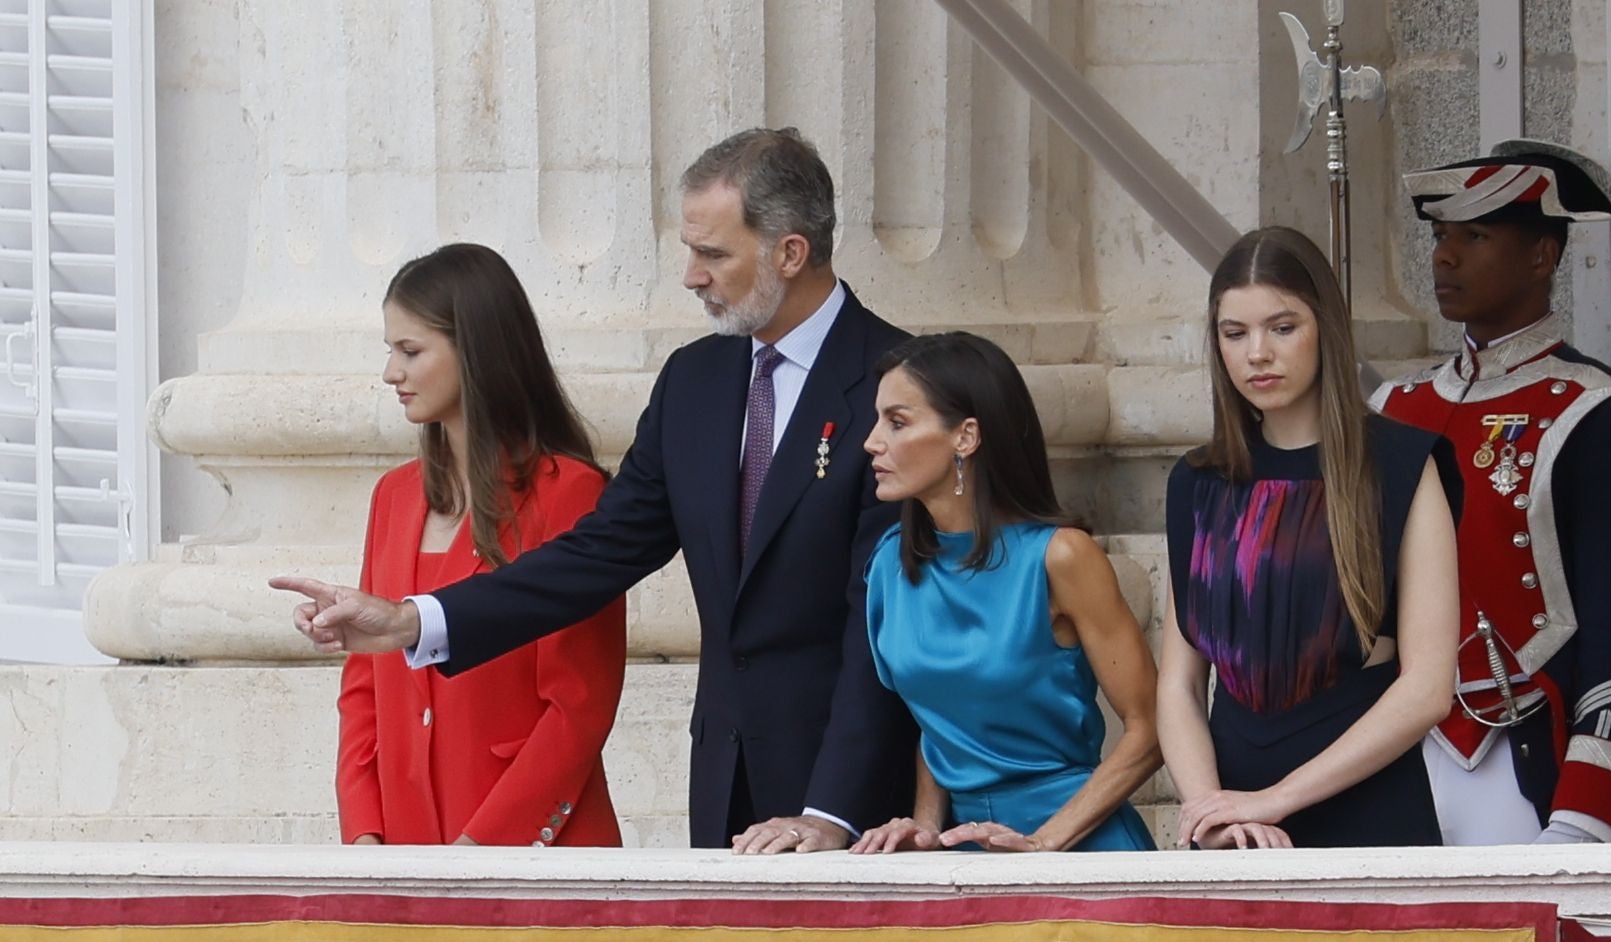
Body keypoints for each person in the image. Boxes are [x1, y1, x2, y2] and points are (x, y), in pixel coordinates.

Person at [273, 127, 915, 852]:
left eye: (712, 254)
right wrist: (412, 622)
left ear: (790, 253)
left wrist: (832, 811)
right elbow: (595, 557)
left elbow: (885, 627)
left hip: (860, 812)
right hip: (726, 790)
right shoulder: (694, 383)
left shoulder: (905, 384)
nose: (690, 276)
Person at [1373, 140, 1611, 845]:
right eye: (1442, 236)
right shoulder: (1393, 409)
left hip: (1523, 759)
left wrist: (1585, 812)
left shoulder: (1600, 411)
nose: (1445, 257)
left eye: (1474, 236)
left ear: (1542, 256)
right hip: (1385, 762)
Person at [1161, 226, 1461, 849]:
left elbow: (1429, 688)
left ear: (1325, 326)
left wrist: (1273, 802)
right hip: (1231, 833)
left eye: (1282, 327)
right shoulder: (1197, 482)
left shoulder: (1402, 464)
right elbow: (1180, 684)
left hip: (1368, 817)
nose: (1257, 354)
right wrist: (1212, 812)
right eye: (1234, 333)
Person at [336, 243, 626, 846]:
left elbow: (580, 703)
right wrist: (364, 831)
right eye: (390, 351)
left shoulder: (569, 492)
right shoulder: (393, 496)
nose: (392, 373)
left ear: (476, 351)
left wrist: (483, 849)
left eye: (410, 351)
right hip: (404, 853)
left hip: (534, 854)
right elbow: (364, 686)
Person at [848, 333, 1160, 854]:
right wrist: (926, 826)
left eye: (897, 422)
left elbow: (1150, 729)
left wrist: (1045, 841)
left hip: (1081, 848)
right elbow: (938, 716)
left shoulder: (1062, 557)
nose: (872, 441)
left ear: (965, 436)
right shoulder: (889, 564)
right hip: (965, 849)